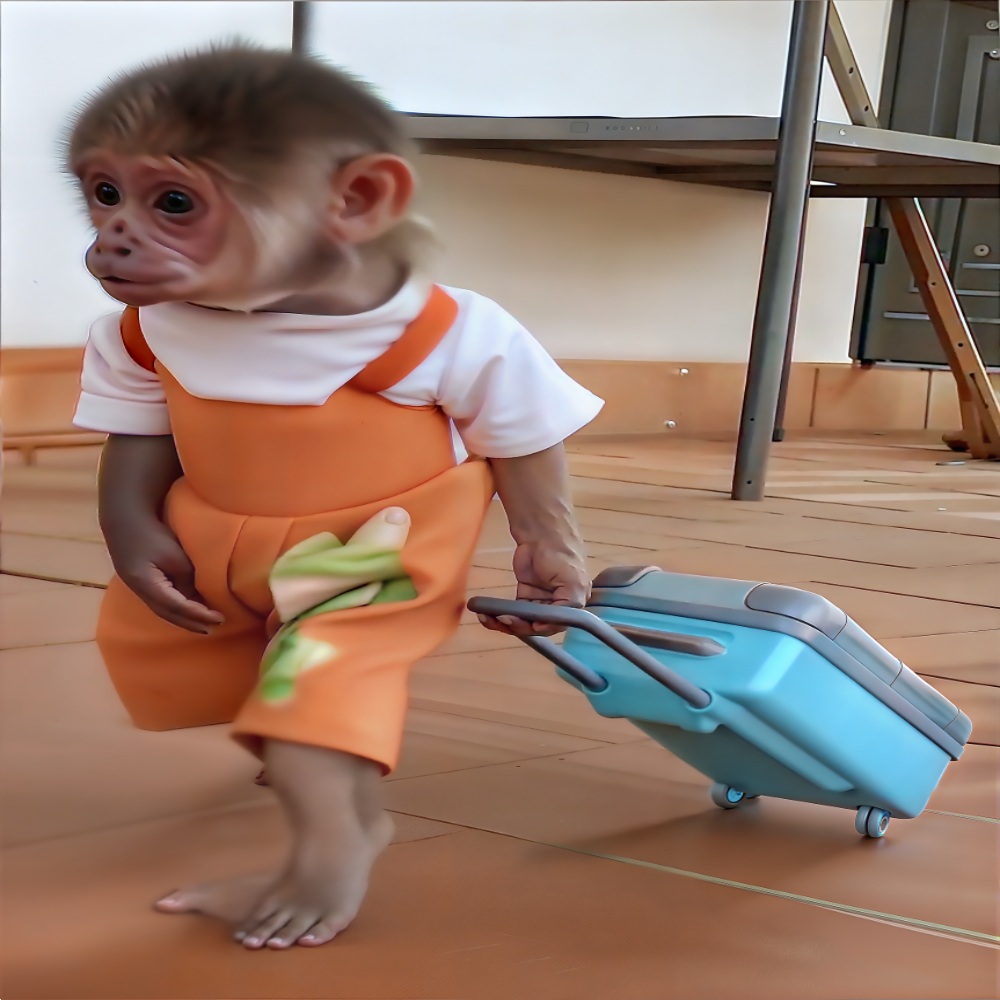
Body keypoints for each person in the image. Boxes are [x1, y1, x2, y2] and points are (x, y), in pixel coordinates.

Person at [69, 44, 602, 950]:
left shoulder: (443, 328)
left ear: (353, 203)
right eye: (103, 194)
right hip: (229, 540)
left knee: (313, 683)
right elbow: (142, 431)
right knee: (257, 689)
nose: (115, 233)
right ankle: (344, 798)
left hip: (379, 543)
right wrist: (127, 523)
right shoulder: (145, 327)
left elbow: (524, 433)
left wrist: (549, 539)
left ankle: (329, 855)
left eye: (173, 203)